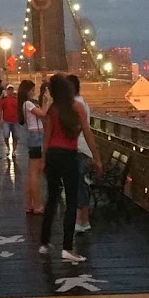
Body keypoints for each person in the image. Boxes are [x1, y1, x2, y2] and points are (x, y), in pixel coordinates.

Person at [39, 73, 101, 262]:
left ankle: (44, 242)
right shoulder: (77, 107)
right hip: (69, 155)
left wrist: (43, 160)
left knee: (52, 198)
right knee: (71, 201)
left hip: (52, 154)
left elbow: (47, 137)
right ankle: (67, 247)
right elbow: (88, 134)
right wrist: (97, 159)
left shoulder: (53, 109)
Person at [69, 73, 94, 234]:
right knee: (80, 184)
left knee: (79, 184)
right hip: (82, 148)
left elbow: (76, 128)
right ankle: (83, 219)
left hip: (78, 149)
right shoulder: (82, 101)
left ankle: (82, 220)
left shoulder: (76, 104)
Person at [17, 78, 44, 214]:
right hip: (36, 136)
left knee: (31, 173)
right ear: (28, 91)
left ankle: (29, 204)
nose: (34, 93)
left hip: (33, 136)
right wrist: (48, 101)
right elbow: (43, 114)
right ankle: (38, 205)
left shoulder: (24, 104)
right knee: (35, 173)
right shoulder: (28, 103)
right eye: (33, 90)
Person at [0, 84, 19, 162]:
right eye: (9, 89)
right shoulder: (4, 99)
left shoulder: (16, 99)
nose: (10, 91)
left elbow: (19, 109)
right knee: (6, 135)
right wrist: (0, 118)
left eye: (11, 89)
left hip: (15, 120)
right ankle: (8, 148)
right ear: (7, 90)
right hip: (6, 120)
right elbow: (0, 108)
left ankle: (13, 151)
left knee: (15, 136)